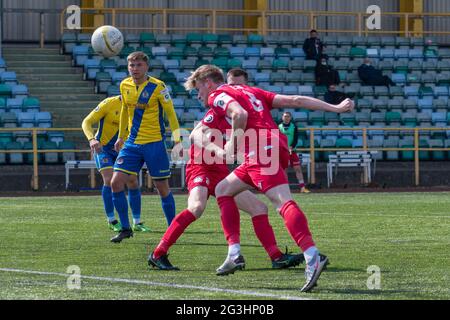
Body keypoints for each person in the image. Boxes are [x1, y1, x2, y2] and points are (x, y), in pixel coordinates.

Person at [184, 64, 354, 292]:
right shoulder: (250, 91)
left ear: (207, 82)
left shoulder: (218, 95)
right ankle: (234, 253)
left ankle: (312, 255)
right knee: (224, 189)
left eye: (199, 89)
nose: (199, 95)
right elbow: (296, 100)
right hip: (271, 146)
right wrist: (335, 108)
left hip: (259, 149)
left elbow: (239, 115)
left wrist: (232, 145)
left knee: (282, 202)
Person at [147, 108, 304, 273]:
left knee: (259, 208)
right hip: (201, 167)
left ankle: (276, 256)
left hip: (221, 172)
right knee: (196, 208)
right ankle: (158, 253)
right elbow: (197, 134)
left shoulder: (243, 121)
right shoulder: (217, 112)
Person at [110, 51, 181, 243]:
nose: (135, 69)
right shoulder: (124, 85)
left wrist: (177, 140)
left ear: (146, 67)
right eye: (132, 66)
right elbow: (125, 109)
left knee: (162, 187)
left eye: (139, 65)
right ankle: (125, 228)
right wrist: (121, 136)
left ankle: (172, 229)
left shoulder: (158, 87)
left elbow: (171, 114)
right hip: (132, 143)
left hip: (154, 143)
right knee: (115, 182)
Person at [81, 96, 149, 233]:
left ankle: (137, 222)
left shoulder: (140, 107)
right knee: (110, 179)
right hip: (103, 148)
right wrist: (92, 139)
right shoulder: (109, 103)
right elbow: (86, 122)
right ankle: (112, 220)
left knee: (133, 181)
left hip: (124, 150)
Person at [278, 112, 310, 193]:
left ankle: (302, 188)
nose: (286, 118)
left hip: (292, 151)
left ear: (290, 117)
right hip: (283, 151)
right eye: (285, 116)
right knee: (284, 170)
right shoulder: (278, 126)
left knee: (298, 169)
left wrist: (291, 147)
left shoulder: (294, 126)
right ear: (282, 117)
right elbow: (277, 138)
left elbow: (295, 139)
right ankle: (286, 189)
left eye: (288, 116)